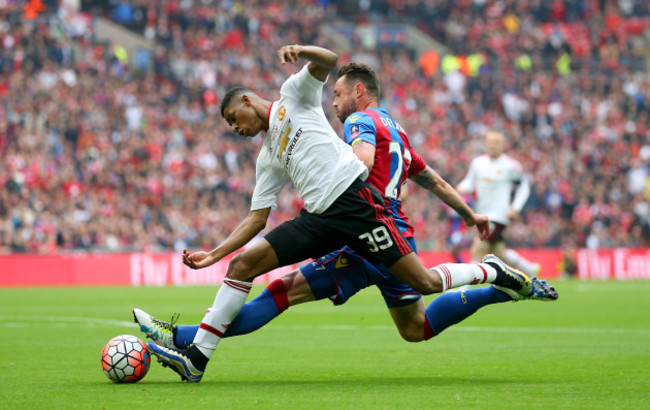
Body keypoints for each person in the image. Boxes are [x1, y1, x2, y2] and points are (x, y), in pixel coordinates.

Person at [145, 45, 538, 383]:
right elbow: (255, 218)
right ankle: (196, 356)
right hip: (321, 220)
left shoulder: (301, 99)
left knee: (424, 292)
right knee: (247, 266)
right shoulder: (269, 159)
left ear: (247, 101)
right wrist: (215, 255)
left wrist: (300, 51)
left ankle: (490, 272)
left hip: (358, 211)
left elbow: (329, 60)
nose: (235, 128)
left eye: (234, 119)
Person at [456, 130, 541, 277]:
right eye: (490, 142)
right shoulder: (478, 163)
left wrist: (515, 208)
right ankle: (530, 268)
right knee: (499, 253)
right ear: (485, 144)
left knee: (477, 249)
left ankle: (463, 289)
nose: (493, 146)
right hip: (482, 214)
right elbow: (470, 182)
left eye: (496, 143)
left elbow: (524, 186)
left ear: (503, 145)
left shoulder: (510, 166)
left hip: (499, 216)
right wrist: (459, 188)